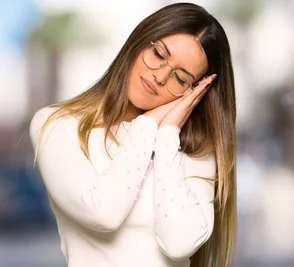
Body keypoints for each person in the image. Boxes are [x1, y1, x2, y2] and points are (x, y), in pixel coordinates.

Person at [29, 3, 237, 267]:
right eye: (158, 54)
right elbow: (103, 213)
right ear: (139, 42)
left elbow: (179, 244)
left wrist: (167, 134)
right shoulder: (58, 125)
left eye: (181, 78)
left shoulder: (192, 150)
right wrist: (147, 125)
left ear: (194, 92)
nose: (160, 76)